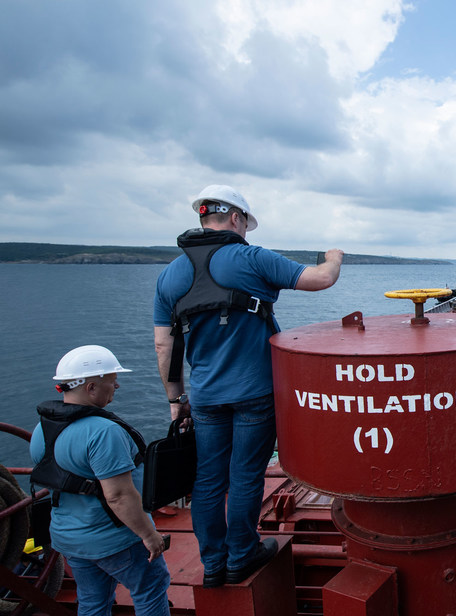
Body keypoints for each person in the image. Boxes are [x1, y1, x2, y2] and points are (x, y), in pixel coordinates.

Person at [153, 185, 343, 588]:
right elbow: (321, 280)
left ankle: (213, 564)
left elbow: (163, 342)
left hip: (204, 397)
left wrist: (176, 400)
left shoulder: (170, 275)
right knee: (244, 476)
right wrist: (334, 258)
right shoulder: (250, 256)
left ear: (203, 218)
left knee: (207, 479)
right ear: (237, 219)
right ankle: (242, 554)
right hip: (255, 392)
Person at [30, 345, 170, 616]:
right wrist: (149, 536)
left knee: (93, 601)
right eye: (111, 380)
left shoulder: (41, 428)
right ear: (91, 387)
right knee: (150, 590)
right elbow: (118, 496)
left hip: (69, 538)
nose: (117, 385)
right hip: (115, 540)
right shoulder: (105, 432)